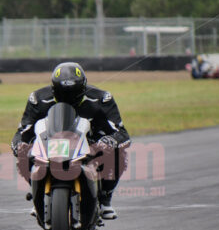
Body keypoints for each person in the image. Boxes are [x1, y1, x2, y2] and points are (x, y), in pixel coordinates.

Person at [11, 62, 130, 220]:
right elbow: (23, 131)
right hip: (51, 143)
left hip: (90, 145)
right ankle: (37, 195)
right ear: (54, 88)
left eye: (73, 92)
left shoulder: (101, 98)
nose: (68, 97)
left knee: (117, 152)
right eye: (62, 92)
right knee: (24, 152)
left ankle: (104, 199)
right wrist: (19, 144)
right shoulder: (38, 99)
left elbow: (122, 133)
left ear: (83, 87)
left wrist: (110, 140)